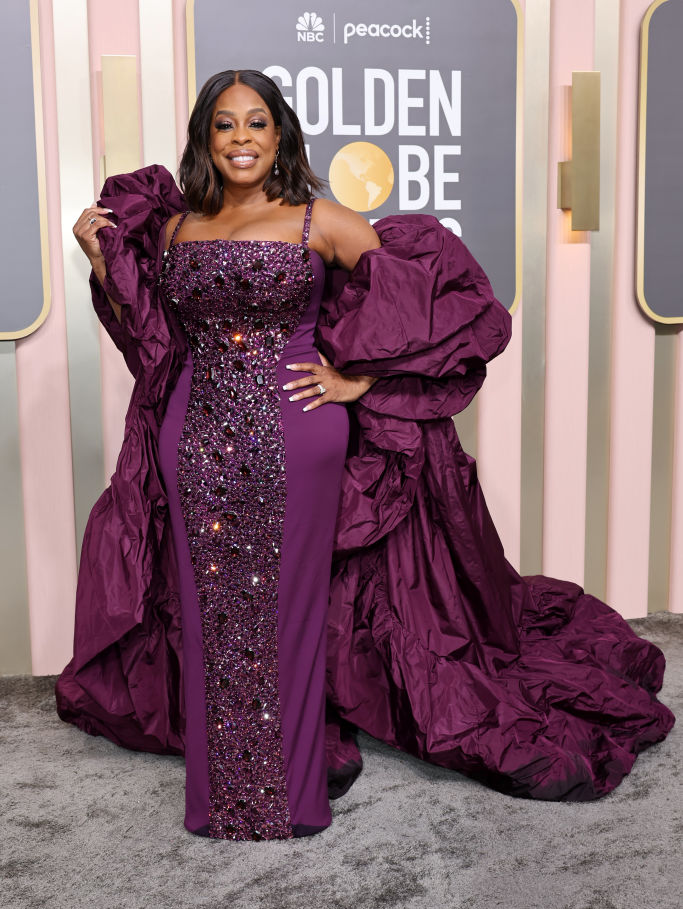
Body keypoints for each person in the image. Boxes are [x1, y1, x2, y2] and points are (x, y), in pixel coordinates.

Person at [56, 69, 675, 841]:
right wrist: (99, 260)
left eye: (256, 122)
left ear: (280, 134)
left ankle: (287, 795)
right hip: (194, 434)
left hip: (297, 430)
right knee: (209, 609)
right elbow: (152, 338)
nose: (241, 138)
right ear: (204, 139)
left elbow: (428, 302)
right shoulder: (179, 229)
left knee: (286, 607)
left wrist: (360, 380)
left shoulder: (322, 221)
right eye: (224, 124)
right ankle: (219, 798)